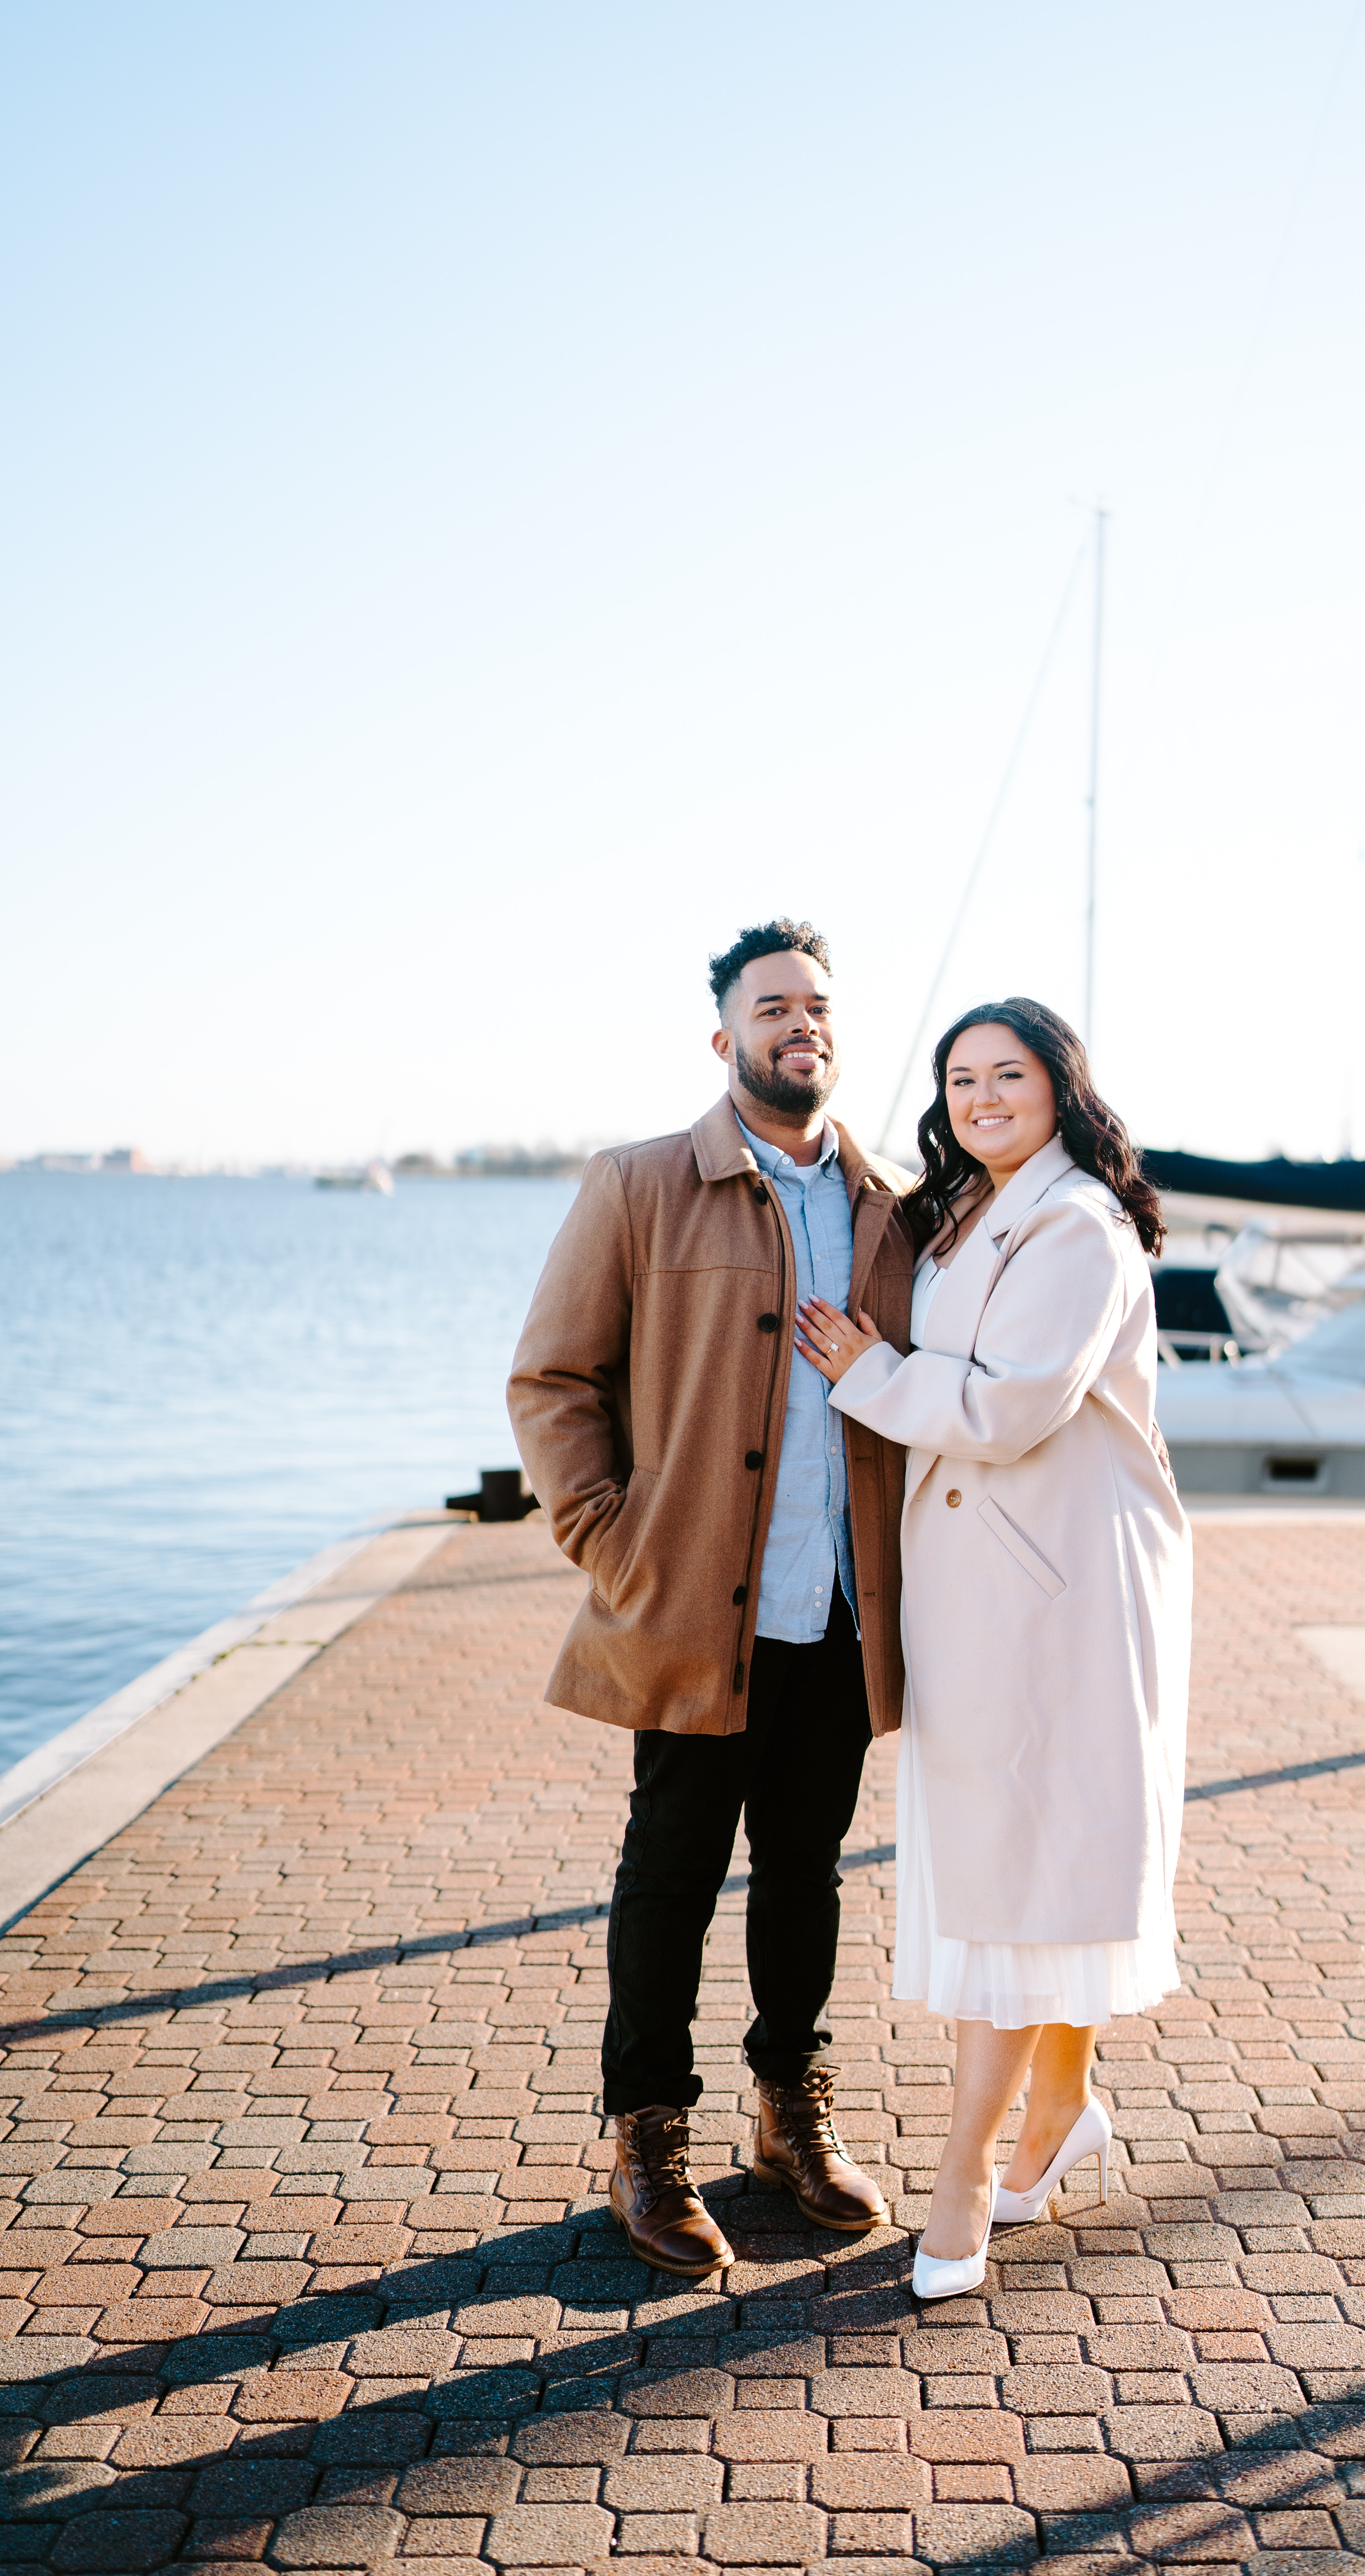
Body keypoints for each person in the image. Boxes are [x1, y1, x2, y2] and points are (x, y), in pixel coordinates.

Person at [508, 918, 914, 2275]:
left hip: (840, 1615)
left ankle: (789, 2116)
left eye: (817, 1005)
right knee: (669, 1880)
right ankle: (647, 2133)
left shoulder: (889, 1206)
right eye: (772, 1005)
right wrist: (610, 1538)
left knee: (807, 1877)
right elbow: (555, 1381)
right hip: (692, 1608)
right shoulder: (640, 1185)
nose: (801, 1022)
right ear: (725, 1035)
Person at [797, 996, 1190, 2299]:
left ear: (1060, 1089)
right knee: (1039, 1870)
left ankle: (963, 2179)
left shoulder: (1073, 1225)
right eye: (961, 1079)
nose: (979, 1098)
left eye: (1005, 1076)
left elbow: (1016, 1406)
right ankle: (1062, 2110)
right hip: (1005, 1593)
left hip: (1058, 1601)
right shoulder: (975, 1210)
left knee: (1019, 1887)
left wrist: (866, 1371)